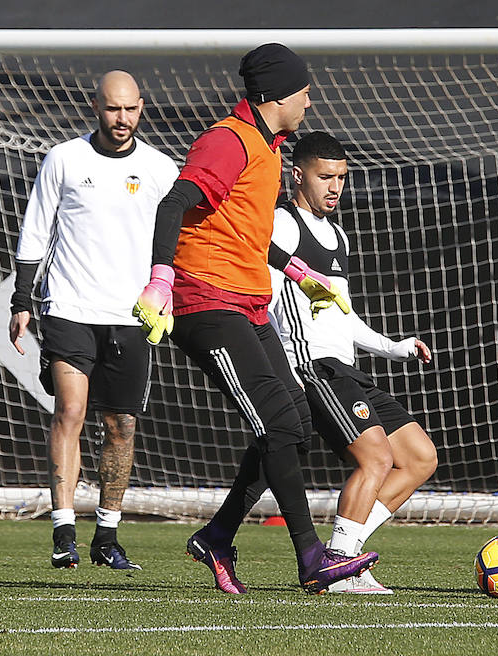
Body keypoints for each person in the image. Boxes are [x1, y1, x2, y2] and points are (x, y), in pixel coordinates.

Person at [133, 43, 377, 595]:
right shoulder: (229, 141)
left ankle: (218, 537)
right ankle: (313, 558)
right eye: (306, 92)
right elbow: (173, 206)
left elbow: (244, 233)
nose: (310, 103)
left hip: (247, 305)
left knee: (292, 425)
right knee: (278, 424)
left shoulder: (268, 149)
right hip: (206, 304)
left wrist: (297, 271)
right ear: (279, 94)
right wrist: (160, 280)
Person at [9, 71, 180, 570]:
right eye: (112, 109)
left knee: (121, 424)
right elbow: (35, 230)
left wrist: (170, 293)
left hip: (130, 315)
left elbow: (180, 240)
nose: (121, 118)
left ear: (141, 107)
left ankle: (107, 536)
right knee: (71, 411)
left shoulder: (160, 169)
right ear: (95, 107)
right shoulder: (64, 158)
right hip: (68, 306)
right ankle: (64, 532)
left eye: (129, 109)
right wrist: (22, 300)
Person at [268, 131, 438, 594]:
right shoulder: (282, 226)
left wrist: (394, 347)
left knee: (420, 458)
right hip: (312, 367)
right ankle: (341, 562)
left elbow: (346, 318)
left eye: (342, 177)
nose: (335, 187)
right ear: (297, 175)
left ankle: (344, 554)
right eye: (326, 177)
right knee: (376, 458)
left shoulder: (338, 234)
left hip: (346, 367)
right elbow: (261, 296)